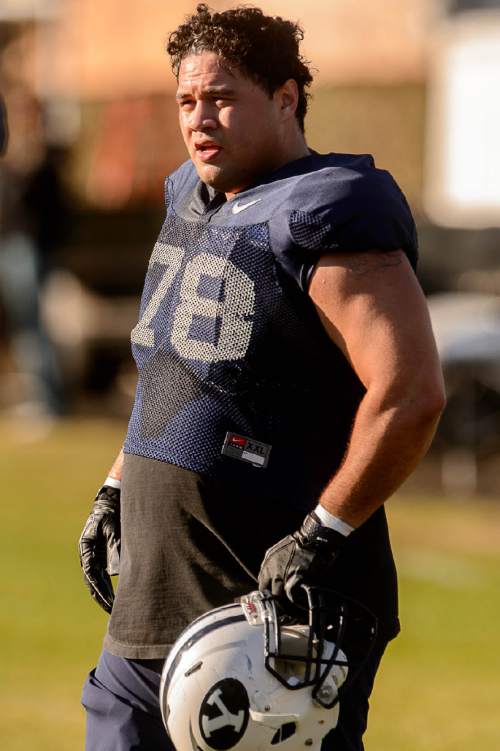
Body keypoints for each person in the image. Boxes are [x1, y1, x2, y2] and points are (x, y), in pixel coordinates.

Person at [79, 5, 445, 750]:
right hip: (151, 603)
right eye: (187, 100)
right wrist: (114, 486)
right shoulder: (190, 193)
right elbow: (172, 374)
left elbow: (411, 392)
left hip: (270, 618)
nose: (199, 119)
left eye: (221, 98)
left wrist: (325, 530)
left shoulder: (329, 212)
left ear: (286, 98)